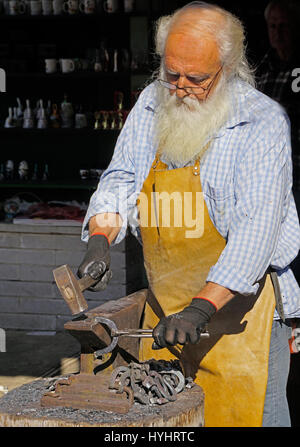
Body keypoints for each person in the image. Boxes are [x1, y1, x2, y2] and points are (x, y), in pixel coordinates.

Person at [78, 1, 300, 427]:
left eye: (196, 79)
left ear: (228, 67)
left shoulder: (261, 123)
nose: (179, 87)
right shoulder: (151, 103)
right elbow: (123, 177)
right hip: (166, 313)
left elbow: (256, 233)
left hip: (240, 317)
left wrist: (200, 310)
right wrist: (101, 238)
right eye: (171, 73)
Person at [256, 0, 300, 283]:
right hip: (268, 172)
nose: (278, 33)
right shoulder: (263, 67)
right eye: (273, 26)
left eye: (284, 26)